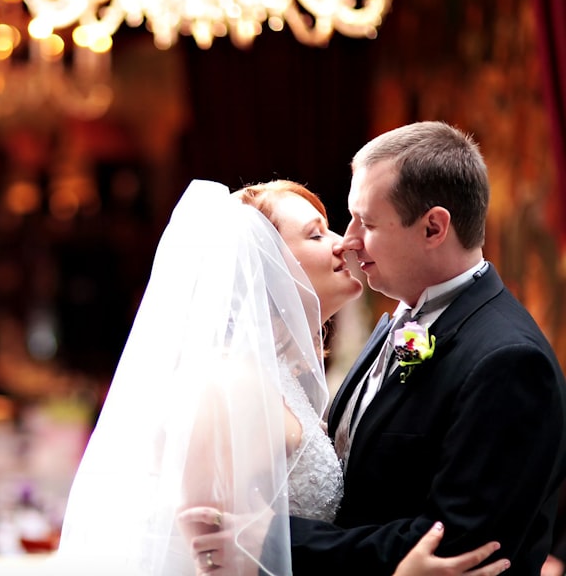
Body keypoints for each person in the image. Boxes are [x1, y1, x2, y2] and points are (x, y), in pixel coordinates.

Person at [53, 177, 507, 576]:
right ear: (263, 264)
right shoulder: (235, 384)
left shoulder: (279, 377)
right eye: (315, 234)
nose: (343, 243)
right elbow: (219, 559)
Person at [266, 120, 566, 574]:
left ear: (433, 228)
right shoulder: (403, 321)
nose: (348, 240)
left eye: (366, 222)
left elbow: (453, 546)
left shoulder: (508, 360)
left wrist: (270, 539)